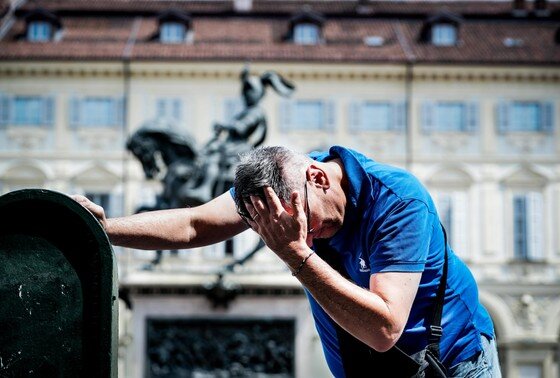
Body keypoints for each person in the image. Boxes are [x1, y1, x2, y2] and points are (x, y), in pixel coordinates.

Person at [73, 145, 501, 377]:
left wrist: (295, 253)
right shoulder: (281, 187)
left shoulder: (398, 202)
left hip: (454, 363)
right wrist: (103, 229)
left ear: (318, 178)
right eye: (275, 229)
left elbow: (385, 327)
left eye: (304, 224)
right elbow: (195, 224)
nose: (305, 236)